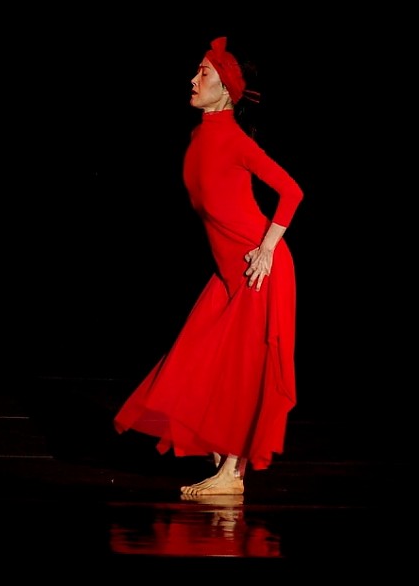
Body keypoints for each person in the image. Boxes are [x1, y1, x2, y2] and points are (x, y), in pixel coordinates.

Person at [113, 36, 303, 496]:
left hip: (257, 270)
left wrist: (266, 248)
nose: (193, 79)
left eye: (203, 73)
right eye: (197, 71)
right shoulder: (202, 135)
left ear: (226, 90)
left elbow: (292, 192)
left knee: (242, 369)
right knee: (196, 358)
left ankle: (232, 475)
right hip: (228, 272)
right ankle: (222, 458)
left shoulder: (234, 140)